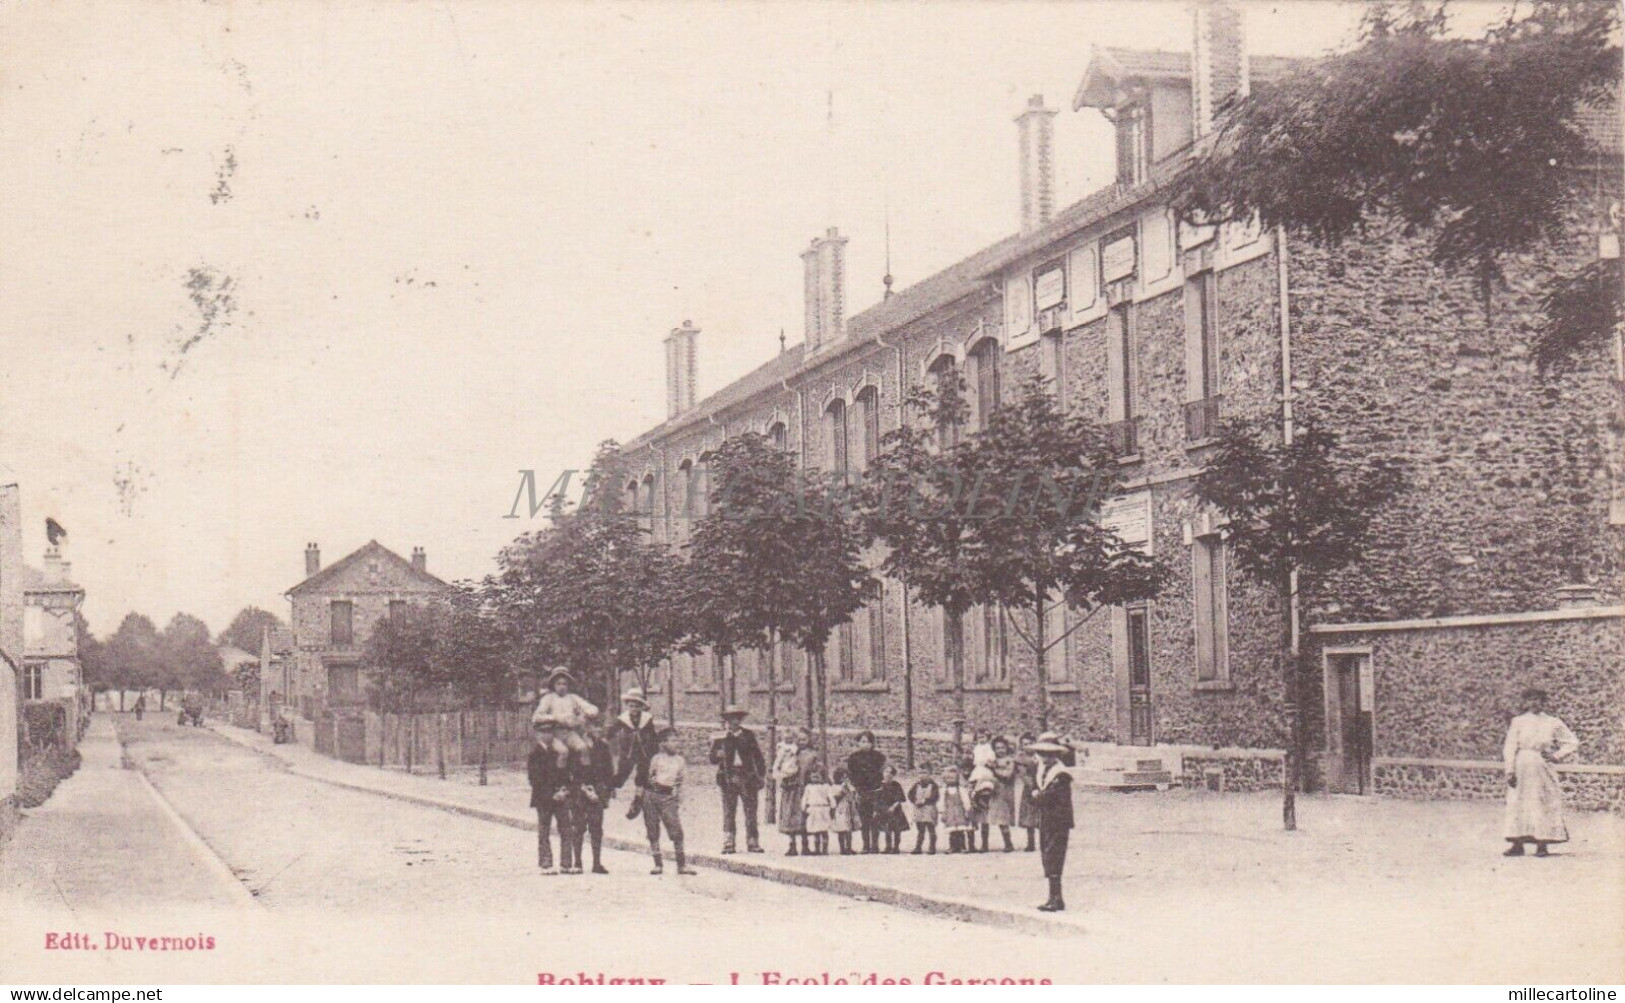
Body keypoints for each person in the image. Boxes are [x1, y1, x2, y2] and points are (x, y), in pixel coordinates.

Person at [1503, 687, 1579, 858]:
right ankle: (1517, 844)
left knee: (1542, 802)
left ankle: (1542, 844)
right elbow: (1510, 746)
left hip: (1541, 766)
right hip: (1521, 765)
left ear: (1544, 702)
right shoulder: (1518, 721)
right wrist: (1509, 770)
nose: (1534, 703)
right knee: (1518, 802)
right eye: (1530, 699)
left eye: (1538, 699)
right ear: (1525, 702)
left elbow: (1572, 742)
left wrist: (1556, 755)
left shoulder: (1553, 722)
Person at [1026, 732, 1075, 912]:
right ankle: (1053, 896)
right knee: (1046, 855)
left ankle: (1056, 897)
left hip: (1059, 820)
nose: (1046, 757)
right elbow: (1031, 792)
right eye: (1042, 753)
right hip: (1045, 819)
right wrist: (1036, 796)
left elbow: (1052, 797)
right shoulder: (1039, 771)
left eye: (1050, 754)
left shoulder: (1061, 775)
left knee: (1055, 855)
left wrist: (1039, 796)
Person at [709, 705, 766, 855]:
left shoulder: (748, 735)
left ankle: (753, 841)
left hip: (747, 777)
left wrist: (761, 775)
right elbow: (712, 759)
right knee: (729, 810)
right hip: (728, 777)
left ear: (740, 720)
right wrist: (717, 754)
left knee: (751, 810)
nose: (733, 722)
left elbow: (758, 757)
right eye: (730, 719)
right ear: (726, 721)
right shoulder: (720, 737)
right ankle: (729, 842)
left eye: (736, 718)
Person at [528, 721, 577, 876]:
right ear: (538, 735)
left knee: (566, 829)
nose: (548, 735)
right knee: (544, 830)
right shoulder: (535, 754)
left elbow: (566, 774)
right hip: (544, 798)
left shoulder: (560, 752)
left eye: (550, 732)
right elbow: (535, 780)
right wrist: (551, 795)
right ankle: (546, 863)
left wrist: (564, 790)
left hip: (561, 797)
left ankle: (566, 863)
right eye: (544, 732)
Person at [645, 728, 696, 875]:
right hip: (652, 796)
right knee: (653, 829)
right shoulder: (657, 758)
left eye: (677, 740)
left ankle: (681, 864)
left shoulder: (680, 761)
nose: (676, 743)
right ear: (664, 743)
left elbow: (680, 781)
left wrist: (679, 798)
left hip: (668, 797)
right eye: (672, 740)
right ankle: (658, 864)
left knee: (676, 830)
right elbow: (650, 776)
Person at [571, 717, 615, 875]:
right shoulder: (577, 747)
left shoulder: (603, 746)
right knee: (579, 827)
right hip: (579, 793)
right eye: (595, 727)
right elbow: (572, 772)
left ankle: (597, 863)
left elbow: (608, 772)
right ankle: (577, 863)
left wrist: (605, 793)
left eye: (600, 727)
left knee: (596, 828)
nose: (599, 730)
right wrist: (585, 790)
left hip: (597, 794)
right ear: (587, 728)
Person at [531, 668, 599, 769]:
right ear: (553, 685)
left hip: (570, 732)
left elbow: (592, 708)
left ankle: (586, 779)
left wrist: (586, 714)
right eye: (558, 684)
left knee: (583, 748)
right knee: (563, 752)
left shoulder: (573, 698)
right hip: (553, 733)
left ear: (568, 685)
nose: (561, 687)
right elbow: (536, 717)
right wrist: (554, 718)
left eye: (564, 684)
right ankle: (560, 781)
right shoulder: (548, 698)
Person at [610, 688, 660, 820]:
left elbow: (653, 734)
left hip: (644, 750)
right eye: (631, 706)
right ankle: (610, 789)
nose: (633, 709)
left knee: (642, 774)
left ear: (641, 707)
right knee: (623, 772)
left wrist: (655, 748)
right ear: (627, 706)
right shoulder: (623, 719)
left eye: (636, 706)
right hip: (628, 751)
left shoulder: (646, 719)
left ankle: (637, 800)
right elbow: (612, 729)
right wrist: (605, 738)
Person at [774, 727, 817, 856]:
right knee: (790, 816)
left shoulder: (812, 754)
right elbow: (781, 766)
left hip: (805, 790)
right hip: (791, 789)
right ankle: (792, 845)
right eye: (799, 739)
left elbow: (817, 770)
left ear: (809, 740)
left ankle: (805, 845)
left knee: (804, 817)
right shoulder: (790, 752)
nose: (801, 742)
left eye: (804, 739)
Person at [845, 731, 887, 854]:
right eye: (863, 741)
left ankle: (875, 845)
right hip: (861, 791)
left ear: (872, 743)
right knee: (864, 820)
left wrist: (880, 786)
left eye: (868, 742)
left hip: (875, 790)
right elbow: (851, 774)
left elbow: (883, 772)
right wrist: (855, 787)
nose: (866, 744)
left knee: (875, 818)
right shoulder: (854, 758)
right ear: (858, 743)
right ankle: (865, 845)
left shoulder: (879, 757)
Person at [986, 736, 1020, 853]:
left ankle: (1008, 843)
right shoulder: (993, 760)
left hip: (1005, 791)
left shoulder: (1009, 760)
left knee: (1003, 817)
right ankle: (985, 843)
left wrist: (994, 770)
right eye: (997, 748)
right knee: (994, 816)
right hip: (994, 791)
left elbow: (1008, 775)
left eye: (1002, 748)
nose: (1000, 750)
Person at [801, 763, 834, 856]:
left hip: (823, 808)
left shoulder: (826, 787)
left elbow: (830, 797)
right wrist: (803, 807)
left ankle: (825, 848)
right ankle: (817, 848)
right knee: (815, 830)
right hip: (813, 809)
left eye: (818, 776)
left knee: (824, 830)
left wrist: (832, 806)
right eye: (813, 777)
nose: (815, 779)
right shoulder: (808, 788)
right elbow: (805, 798)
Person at [1015, 732, 1040, 852]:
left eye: (1031, 743)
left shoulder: (1041, 756)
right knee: (1030, 816)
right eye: (1025, 744)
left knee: (1043, 814)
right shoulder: (1021, 759)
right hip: (1030, 787)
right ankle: (1031, 842)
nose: (1028, 746)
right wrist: (1033, 787)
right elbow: (1023, 775)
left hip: (1043, 785)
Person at [876, 764, 909, 854]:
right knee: (887, 830)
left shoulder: (896, 785)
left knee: (897, 830)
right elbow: (877, 798)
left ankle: (896, 847)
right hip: (885, 810)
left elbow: (901, 798)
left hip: (896, 810)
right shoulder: (880, 785)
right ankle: (888, 846)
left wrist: (893, 806)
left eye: (891, 773)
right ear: (882, 773)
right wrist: (882, 808)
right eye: (886, 772)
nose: (888, 774)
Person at [908, 767, 940, 855]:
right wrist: (914, 801)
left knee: (931, 829)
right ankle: (918, 847)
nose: (923, 775)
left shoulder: (933, 785)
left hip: (929, 809)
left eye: (925, 772)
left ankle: (932, 847)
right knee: (920, 830)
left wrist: (925, 801)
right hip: (918, 809)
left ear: (930, 774)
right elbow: (910, 794)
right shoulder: (916, 785)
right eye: (921, 773)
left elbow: (935, 796)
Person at [940, 765, 972, 854]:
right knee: (952, 831)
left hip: (960, 812)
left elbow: (966, 801)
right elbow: (941, 802)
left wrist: (967, 810)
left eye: (953, 778)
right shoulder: (943, 791)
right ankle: (953, 846)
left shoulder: (961, 790)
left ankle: (962, 846)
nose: (950, 780)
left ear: (957, 778)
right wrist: (942, 812)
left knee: (961, 831)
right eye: (948, 778)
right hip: (949, 812)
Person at [830, 766, 858, 855]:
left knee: (849, 830)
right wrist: (842, 791)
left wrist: (850, 789)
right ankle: (842, 848)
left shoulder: (849, 786)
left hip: (849, 808)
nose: (844, 779)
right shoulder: (835, 787)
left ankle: (849, 847)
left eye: (846, 777)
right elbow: (835, 798)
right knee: (841, 829)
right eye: (842, 777)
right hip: (840, 809)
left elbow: (853, 794)